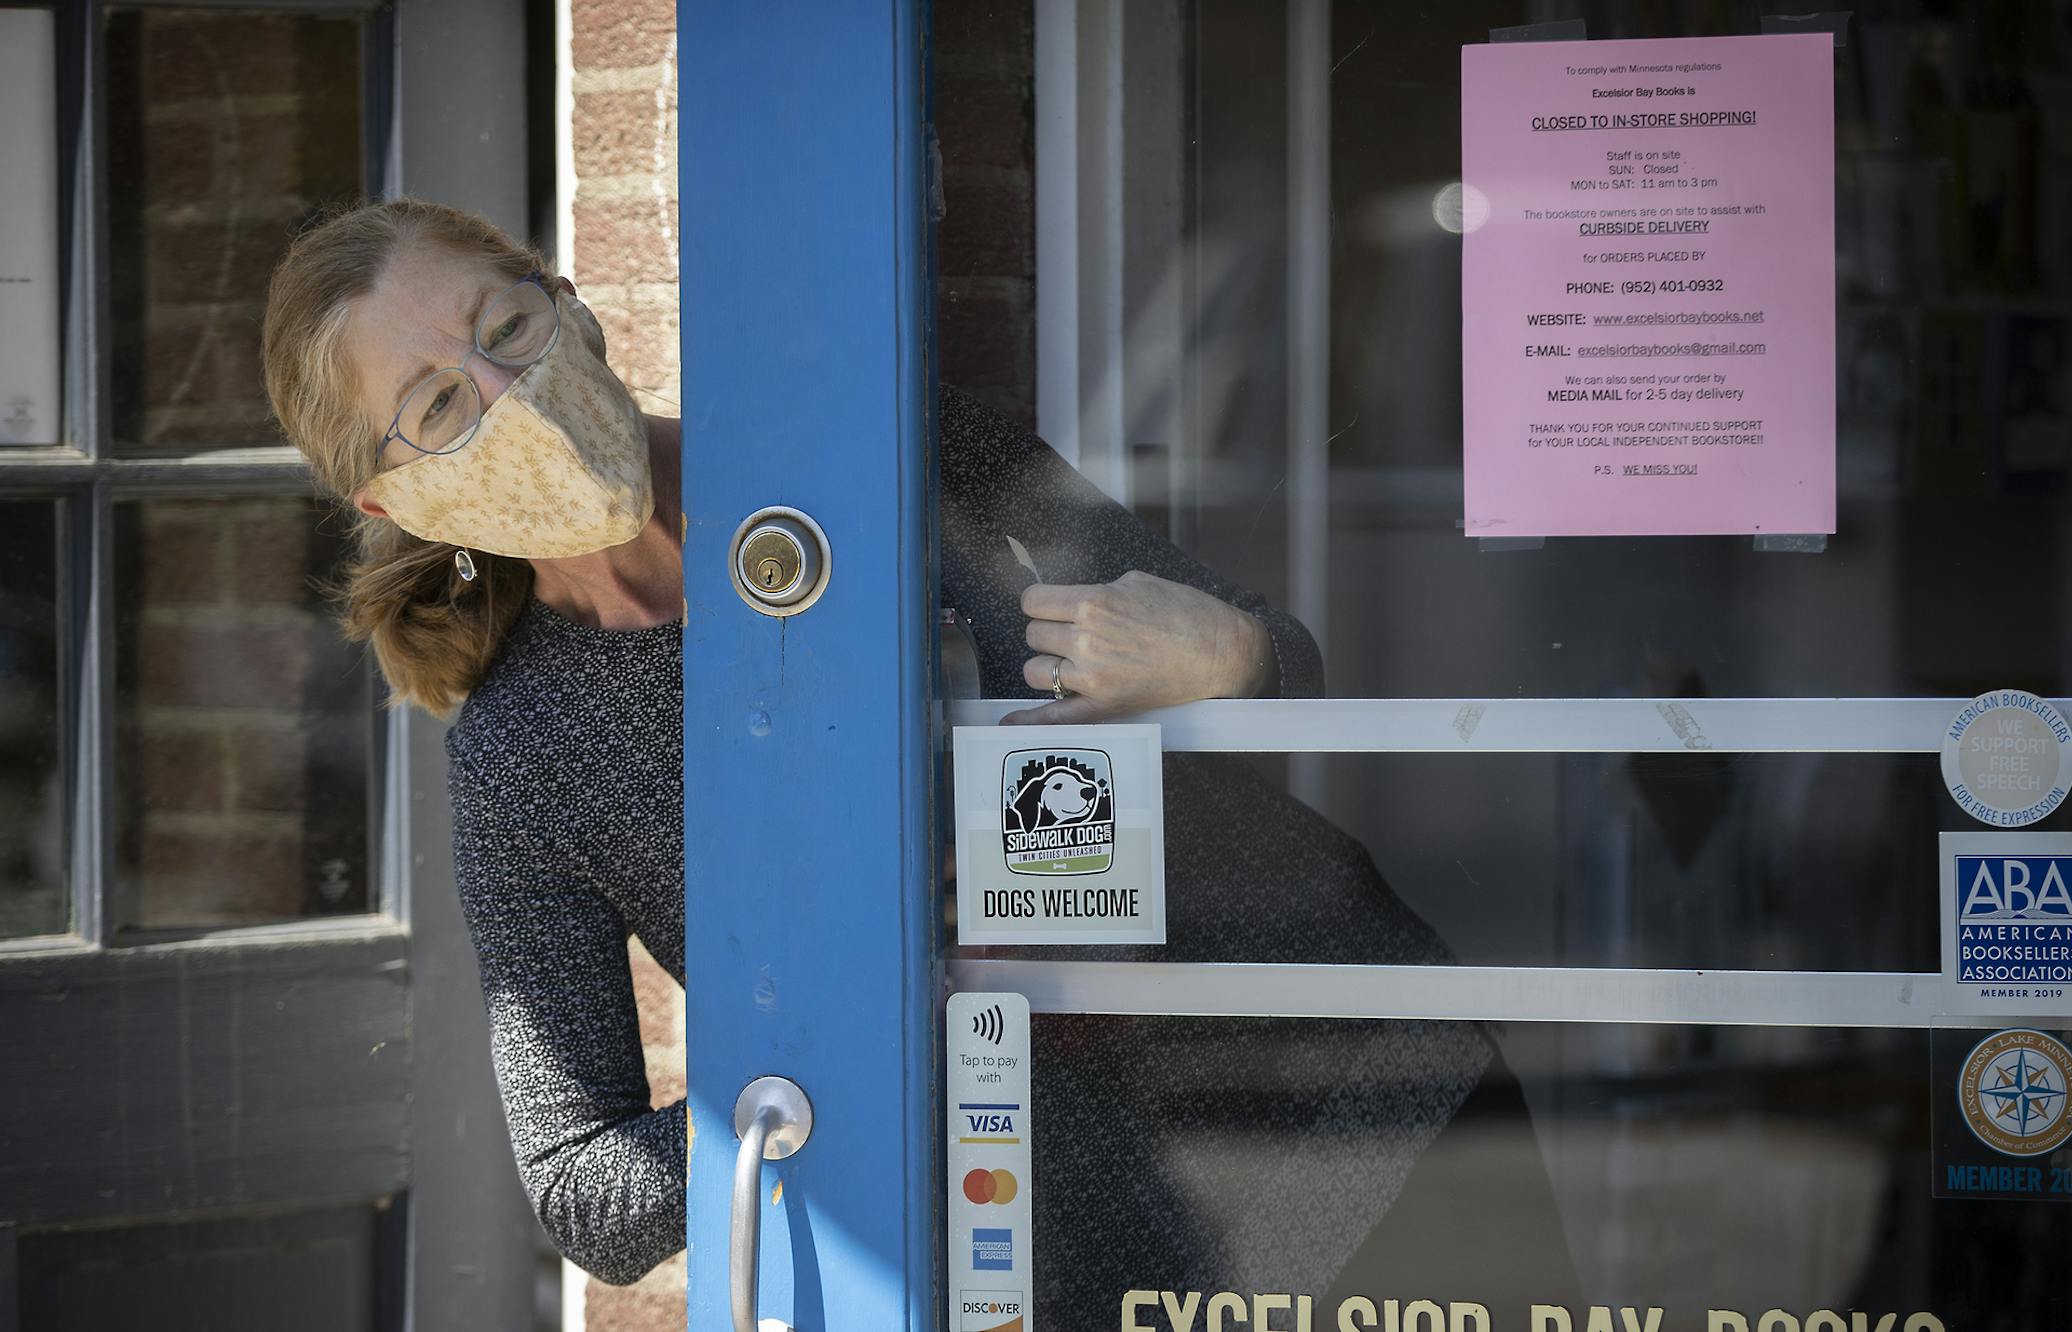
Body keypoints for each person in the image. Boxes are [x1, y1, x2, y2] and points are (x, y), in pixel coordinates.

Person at [261, 198, 1575, 1313]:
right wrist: (839, 1031)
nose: (508, 395)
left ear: (573, 304)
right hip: (1059, 1271)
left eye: (509, 329)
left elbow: (1294, 693)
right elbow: (584, 1195)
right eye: (439, 402)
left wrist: (1239, 660)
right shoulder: (521, 749)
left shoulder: (898, 455)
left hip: (1387, 1130)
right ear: (391, 501)